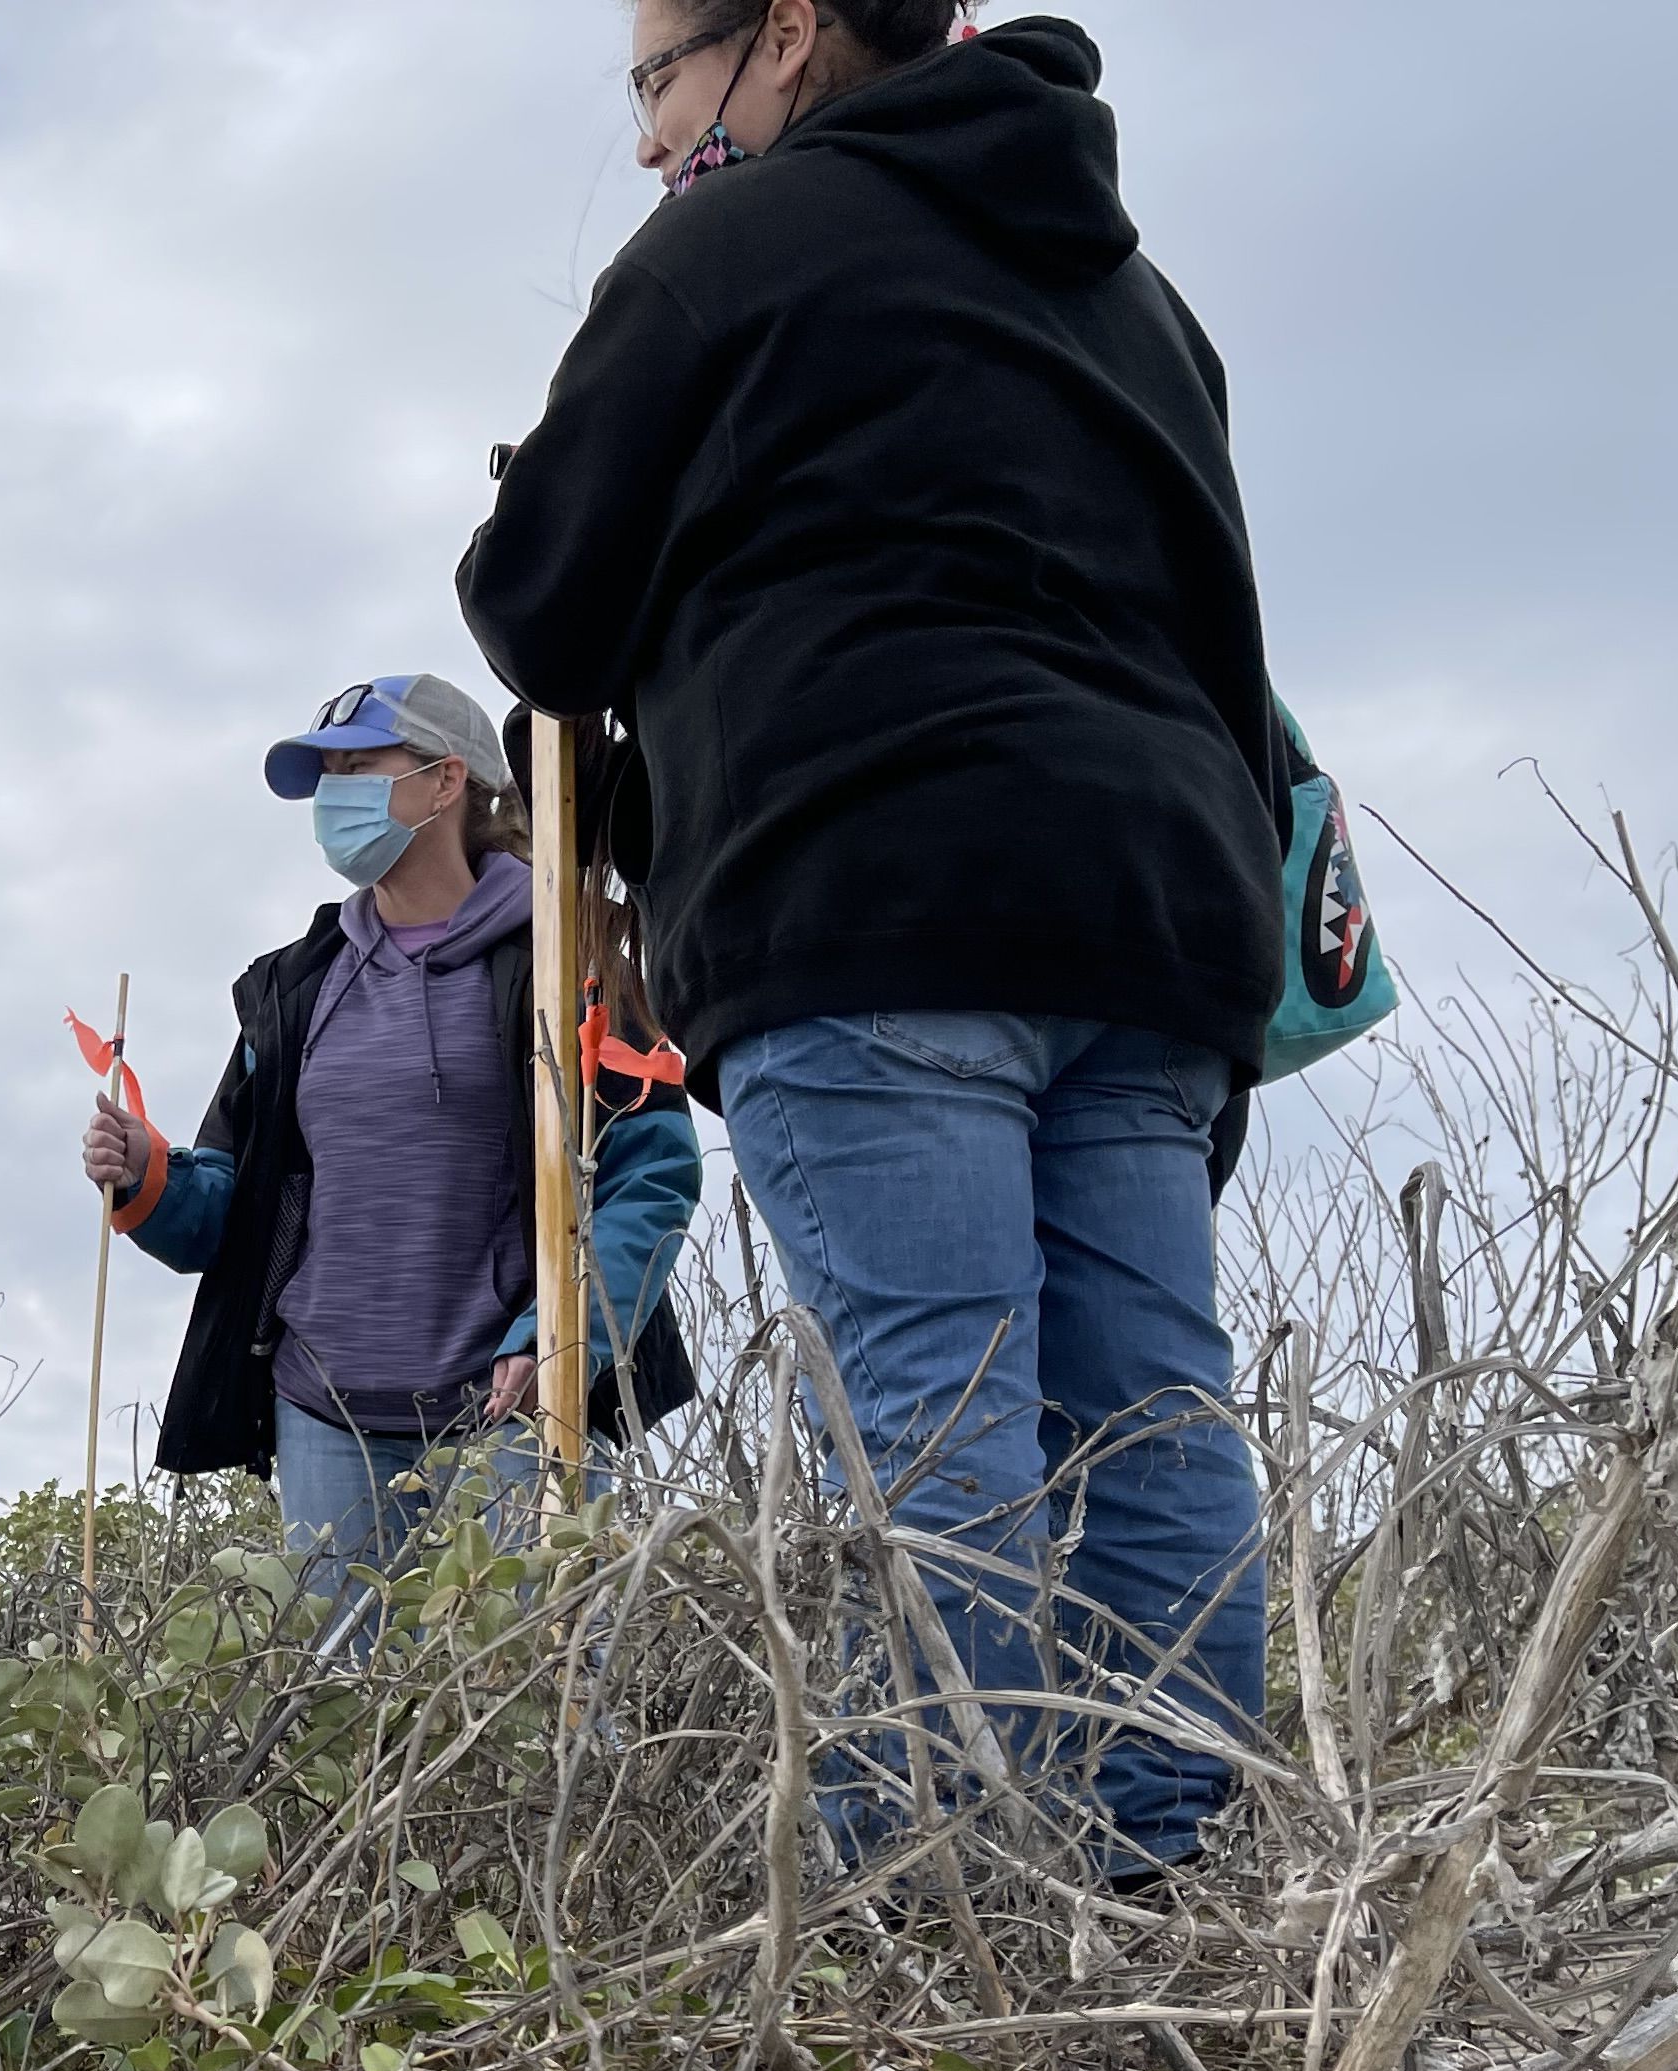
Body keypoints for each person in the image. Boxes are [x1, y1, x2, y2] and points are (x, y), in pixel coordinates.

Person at [458, 2, 1281, 1881]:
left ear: (787, 32)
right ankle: (1167, 1894)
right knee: (1156, 1422)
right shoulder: (1147, 305)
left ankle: (939, 1917)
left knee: (931, 1419)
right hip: (1151, 913)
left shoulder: (724, 249)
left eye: (658, 77)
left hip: (868, 895)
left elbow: (540, 610)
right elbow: (1227, 636)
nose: (649, 136)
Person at [86, 673, 702, 1622]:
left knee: (535, 1687)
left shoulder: (574, 958)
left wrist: (564, 1339)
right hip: (323, 1415)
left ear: (446, 781)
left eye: (357, 767)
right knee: (343, 1704)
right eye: (324, 775)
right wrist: (147, 1174)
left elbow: (651, 1176)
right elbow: (230, 1206)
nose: (332, 796)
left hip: (516, 1410)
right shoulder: (293, 988)